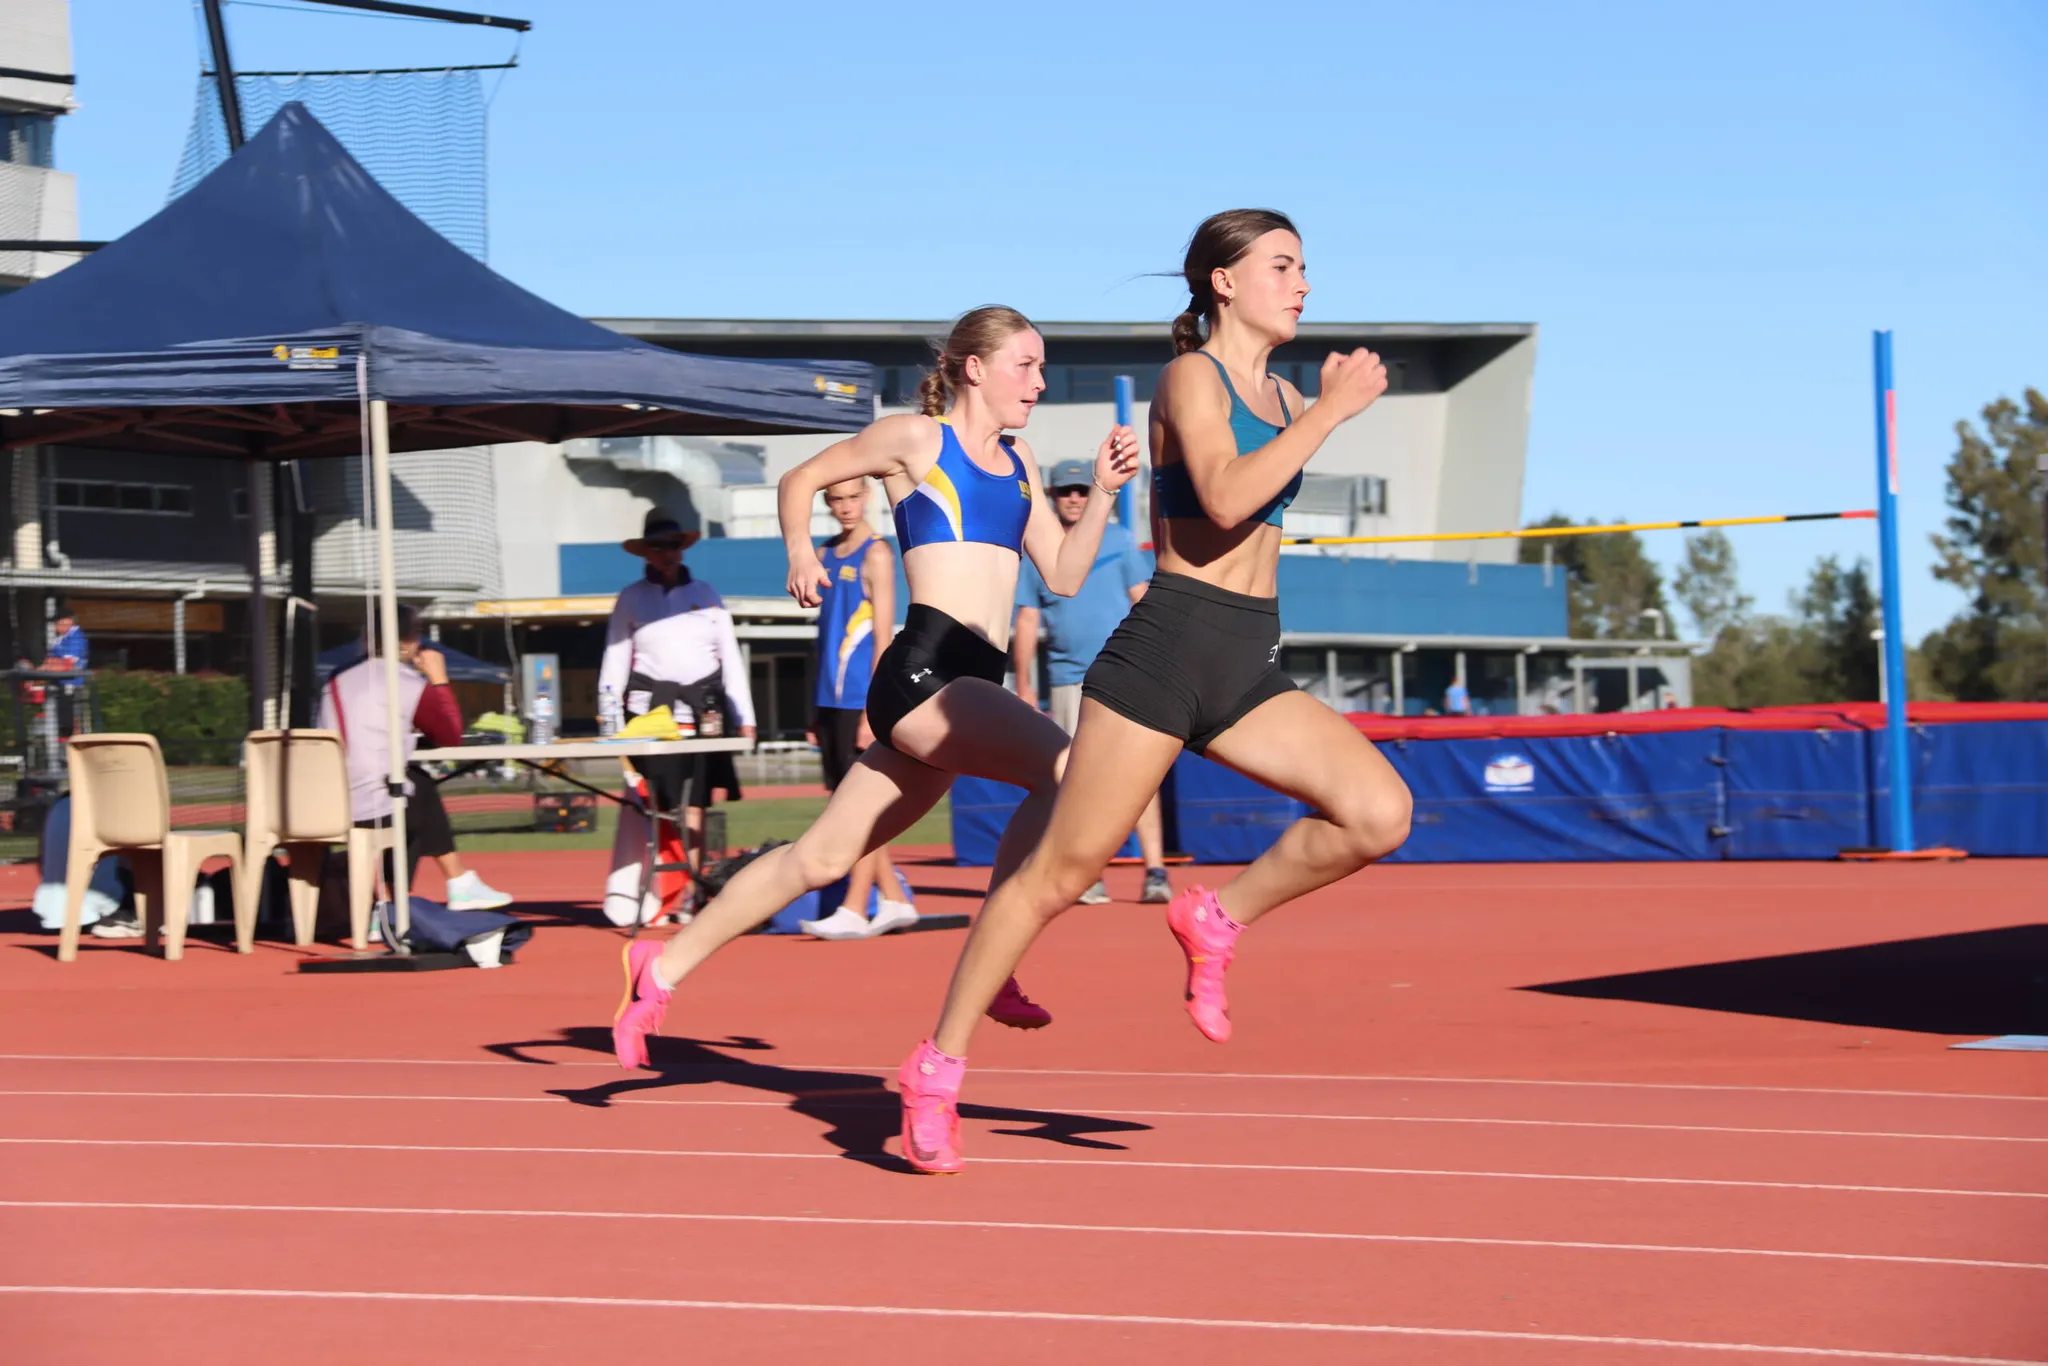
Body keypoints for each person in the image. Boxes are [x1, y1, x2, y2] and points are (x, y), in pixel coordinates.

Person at [895, 210, 1414, 1173]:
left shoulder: (1284, 388)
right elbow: (1221, 497)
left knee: (1379, 812)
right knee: (1058, 873)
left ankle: (1218, 915)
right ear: (1224, 281)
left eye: (1306, 267)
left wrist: (1313, 408)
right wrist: (1331, 412)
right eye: (1283, 266)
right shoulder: (1192, 378)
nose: (1303, 284)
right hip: (1165, 657)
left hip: (1248, 660)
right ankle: (934, 1066)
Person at [610, 305, 1140, 1069]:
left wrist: (1107, 491)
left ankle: (658, 968)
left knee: (817, 860)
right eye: (1025, 364)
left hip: (970, 681)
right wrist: (800, 551)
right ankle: (996, 959)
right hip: (924, 672)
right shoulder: (918, 439)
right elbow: (802, 477)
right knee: (1064, 768)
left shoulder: (1022, 466)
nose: (1040, 380)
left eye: (1042, 365)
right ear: (975, 368)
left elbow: (1061, 572)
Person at [1013, 460, 1170, 906]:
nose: (1075, 498)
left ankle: (1155, 871)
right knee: (1076, 780)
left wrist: (1160, 662)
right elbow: (1027, 618)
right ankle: (1090, 873)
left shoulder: (1118, 539)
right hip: (1067, 679)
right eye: (1066, 492)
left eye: (1082, 490)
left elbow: (1143, 600)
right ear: (1053, 496)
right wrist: (1024, 683)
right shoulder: (1039, 548)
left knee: (1140, 775)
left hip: (1126, 674)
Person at [597, 510, 758, 927]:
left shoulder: (707, 593)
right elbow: (615, 659)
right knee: (653, 807)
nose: (665, 554)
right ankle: (654, 895)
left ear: (681, 548)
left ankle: (689, 891)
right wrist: (609, 716)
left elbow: (729, 658)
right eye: (656, 547)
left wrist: (746, 716)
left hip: (701, 715)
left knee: (695, 807)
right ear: (645, 552)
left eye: (671, 546)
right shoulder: (631, 597)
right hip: (649, 718)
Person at [318, 604, 515, 915]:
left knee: (412, 789)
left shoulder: (336, 679)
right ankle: (455, 881)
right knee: (415, 788)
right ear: (406, 641)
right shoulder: (404, 681)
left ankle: (389, 903)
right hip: (369, 801)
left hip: (327, 800)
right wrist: (438, 678)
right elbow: (450, 735)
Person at [797, 476, 917, 940]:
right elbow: (823, 637)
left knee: (856, 811)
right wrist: (813, 705)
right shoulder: (824, 555)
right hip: (828, 697)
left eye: (853, 497)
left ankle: (853, 906)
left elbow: (884, 638)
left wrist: (873, 709)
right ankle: (893, 898)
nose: (846, 507)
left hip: (857, 699)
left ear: (867, 496)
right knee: (841, 806)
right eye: (836, 500)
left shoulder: (878, 555)